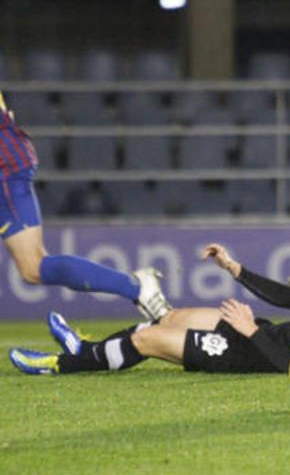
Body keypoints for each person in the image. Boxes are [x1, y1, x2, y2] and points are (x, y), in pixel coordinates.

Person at [8, 234, 290, 376]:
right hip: (260, 332)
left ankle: (62, 363)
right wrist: (236, 269)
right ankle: (88, 349)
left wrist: (249, 331)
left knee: (148, 340)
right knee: (172, 318)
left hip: (250, 356)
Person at [0, 91, 170, 320]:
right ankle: (137, 288)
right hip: (10, 158)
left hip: (5, 164)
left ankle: (137, 288)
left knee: (33, 263)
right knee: (32, 267)